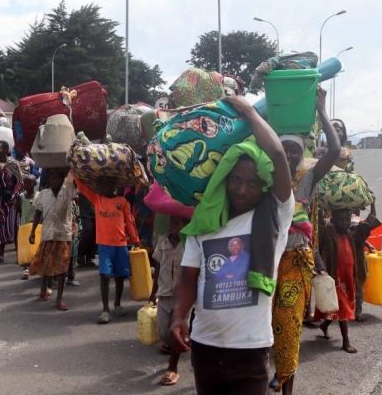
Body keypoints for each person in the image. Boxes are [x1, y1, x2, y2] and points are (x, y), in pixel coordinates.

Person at [170, 95, 294, 395]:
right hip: (205, 347)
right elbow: (189, 276)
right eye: (235, 179)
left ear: (263, 185)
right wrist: (178, 317)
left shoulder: (274, 216)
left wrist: (248, 111)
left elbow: (277, 156)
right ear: (224, 179)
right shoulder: (205, 223)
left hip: (250, 348)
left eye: (252, 182)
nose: (242, 189)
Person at [271, 87, 341, 394]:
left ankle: (286, 384)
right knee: (261, 326)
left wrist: (321, 111)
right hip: (263, 261)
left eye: (294, 151)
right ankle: (263, 374)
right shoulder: (264, 179)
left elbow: (335, 152)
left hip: (295, 263)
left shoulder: (305, 181)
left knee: (287, 325)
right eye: (282, 149)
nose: (288, 155)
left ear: (301, 155)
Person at [74, 175, 140, 324]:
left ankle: (117, 303)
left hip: (121, 245)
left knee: (119, 277)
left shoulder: (122, 201)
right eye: (102, 185)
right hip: (104, 245)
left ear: (114, 186)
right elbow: (82, 187)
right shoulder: (97, 199)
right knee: (104, 276)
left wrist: (136, 240)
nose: (104, 188)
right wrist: (75, 171)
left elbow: (130, 221)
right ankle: (105, 310)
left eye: (107, 185)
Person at [314, 209, 381, 353]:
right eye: (340, 220)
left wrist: (372, 203)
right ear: (333, 221)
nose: (344, 223)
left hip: (348, 277)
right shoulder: (329, 236)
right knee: (343, 307)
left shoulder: (352, 235)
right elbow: (318, 227)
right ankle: (346, 342)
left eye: (346, 220)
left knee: (338, 306)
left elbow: (369, 224)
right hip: (335, 278)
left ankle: (325, 325)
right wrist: (320, 210)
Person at [29, 169, 77, 311]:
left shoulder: (68, 192)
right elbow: (38, 213)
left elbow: (77, 182)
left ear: (63, 179)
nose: (55, 180)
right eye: (52, 178)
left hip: (63, 235)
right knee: (46, 264)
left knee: (62, 269)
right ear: (48, 180)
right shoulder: (43, 195)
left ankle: (59, 298)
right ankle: (44, 288)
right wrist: (32, 231)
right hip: (48, 234)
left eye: (58, 178)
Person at [149, 217, 189, 386]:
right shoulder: (163, 241)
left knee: (176, 331)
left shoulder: (189, 243)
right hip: (164, 292)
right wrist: (153, 291)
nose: (175, 225)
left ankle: (173, 368)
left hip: (183, 295)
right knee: (163, 331)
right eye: (173, 222)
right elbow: (157, 267)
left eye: (179, 222)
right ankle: (175, 344)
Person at [0, 141, 24, 263]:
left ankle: (18, 254)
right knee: (1, 225)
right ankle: (1, 253)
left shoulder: (13, 164)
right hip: (0, 199)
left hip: (12, 199)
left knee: (14, 226)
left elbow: (20, 181)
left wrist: (14, 197)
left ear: (5, 150)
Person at [18, 174, 39, 280]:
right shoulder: (21, 196)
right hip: (24, 225)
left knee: (36, 247)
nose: (26, 185)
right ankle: (26, 269)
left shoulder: (38, 196)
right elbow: (18, 210)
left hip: (36, 226)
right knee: (25, 248)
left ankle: (35, 267)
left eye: (29, 183)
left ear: (34, 184)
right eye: (24, 183)